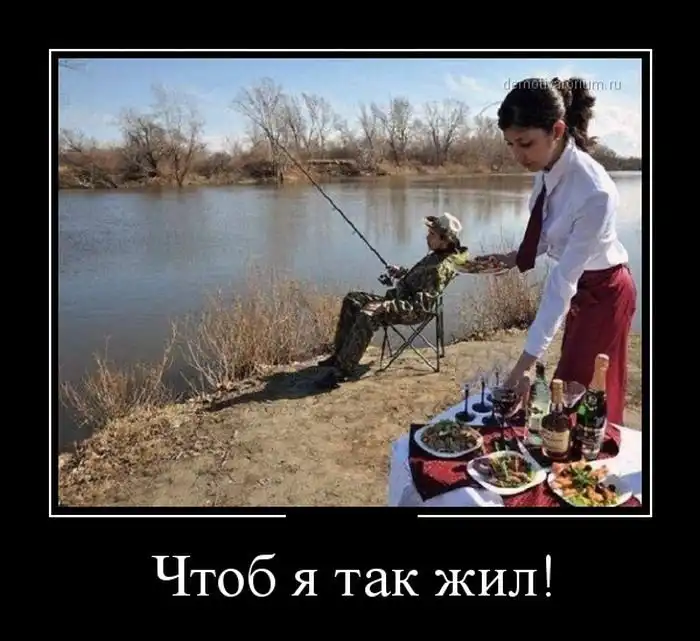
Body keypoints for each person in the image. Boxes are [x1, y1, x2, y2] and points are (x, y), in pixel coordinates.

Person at [478, 77, 637, 426]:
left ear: (557, 130)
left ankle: (593, 455)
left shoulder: (594, 192)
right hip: (582, 286)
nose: (517, 156)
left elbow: (562, 282)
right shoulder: (546, 166)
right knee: (568, 387)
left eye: (525, 143)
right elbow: (549, 232)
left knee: (583, 393)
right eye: (510, 144)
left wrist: (525, 363)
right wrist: (515, 257)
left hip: (605, 293)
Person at [315, 213, 469, 389]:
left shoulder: (439, 268)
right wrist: (402, 272)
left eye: (432, 234)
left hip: (410, 311)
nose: (427, 237)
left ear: (444, 240)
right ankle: (340, 355)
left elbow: (419, 307)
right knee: (353, 299)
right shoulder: (437, 255)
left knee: (368, 314)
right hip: (399, 300)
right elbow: (419, 279)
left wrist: (386, 305)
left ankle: (341, 371)